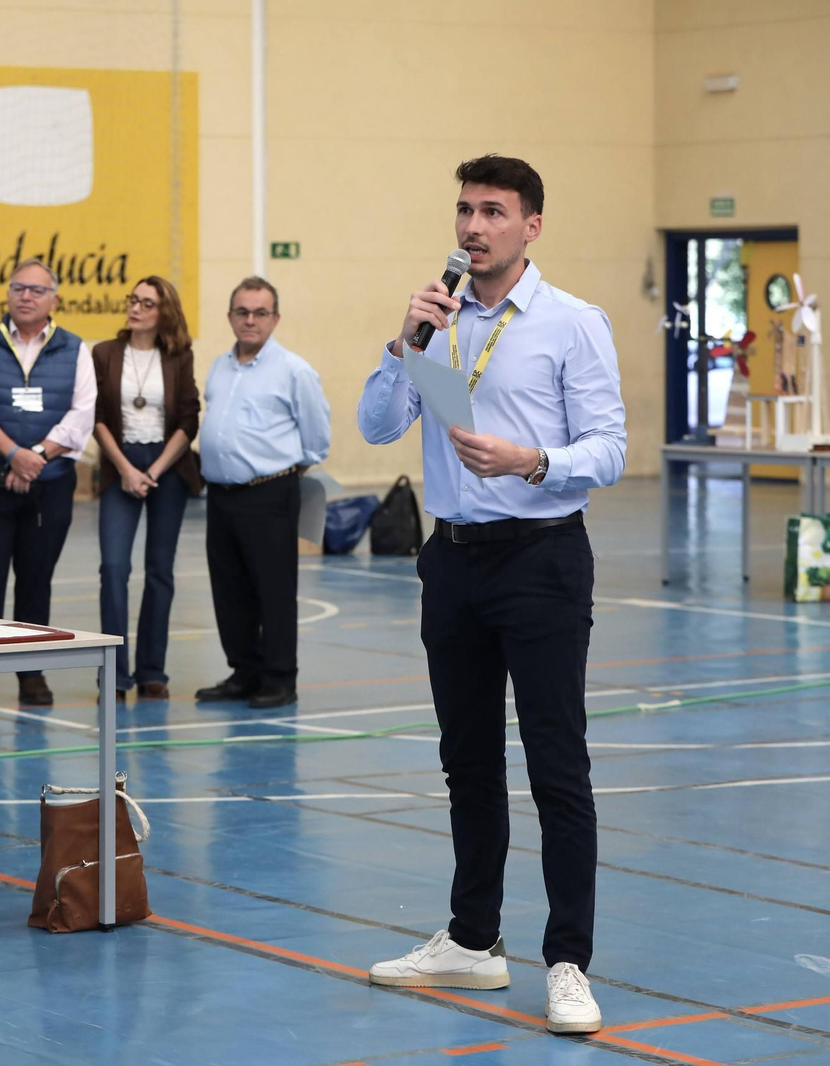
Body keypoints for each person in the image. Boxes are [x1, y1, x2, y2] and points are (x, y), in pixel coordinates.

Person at [358, 154, 626, 1035]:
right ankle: (473, 940)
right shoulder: (438, 320)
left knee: (557, 766)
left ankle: (568, 961)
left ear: (531, 226)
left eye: (494, 213)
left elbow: (609, 450)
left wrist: (534, 461)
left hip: (543, 559)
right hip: (454, 561)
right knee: (466, 760)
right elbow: (376, 424)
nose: (473, 228)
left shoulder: (571, 323)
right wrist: (407, 342)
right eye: (466, 211)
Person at [0, 259, 96, 708]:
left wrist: (38, 458)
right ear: (9, 294)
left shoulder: (75, 348)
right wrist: (14, 453)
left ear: (55, 299)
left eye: (36, 290)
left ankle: (32, 673)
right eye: (18, 288)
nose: (26, 296)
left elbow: (83, 412)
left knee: (36, 581)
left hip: (49, 486)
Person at [193, 277, 330, 710]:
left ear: (275, 318)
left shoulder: (294, 371)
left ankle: (279, 679)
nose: (250, 320)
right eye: (242, 312)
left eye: (260, 313)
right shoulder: (219, 366)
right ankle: (243, 672)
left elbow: (317, 438)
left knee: (273, 590)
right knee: (230, 590)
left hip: (269, 494)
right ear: (231, 316)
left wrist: (283, 472)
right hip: (220, 496)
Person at [92, 276, 201, 700]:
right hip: (120, 464)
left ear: (164, 312)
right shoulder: (104, 353)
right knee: (114, 569)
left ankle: (152, 670)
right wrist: (125, 468)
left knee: (160, 570)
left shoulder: (179, 355)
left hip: (167, 466)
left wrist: (154, 468)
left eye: (147, 303)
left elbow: (188, 419)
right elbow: (96, 416)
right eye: (133, 300)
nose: (135, 308)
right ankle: (114, 674)